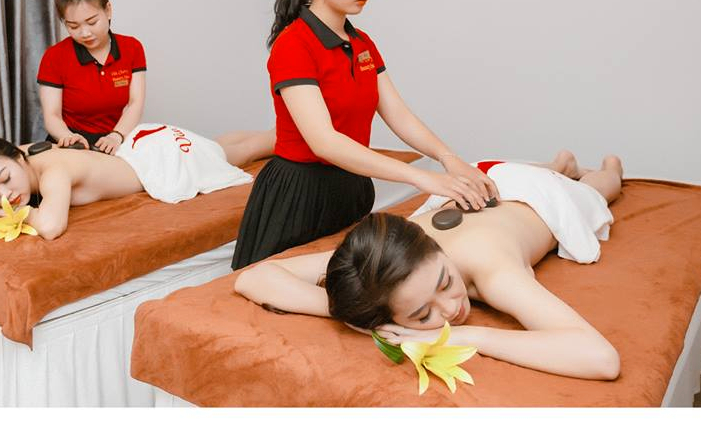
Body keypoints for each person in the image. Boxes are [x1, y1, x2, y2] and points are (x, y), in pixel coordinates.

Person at [231, 0, 500, 271]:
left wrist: (448, 158)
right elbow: (324, 142)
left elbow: (398, 114)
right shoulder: (293, 44)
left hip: (351, 189)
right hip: (299, 197)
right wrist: (421, 178)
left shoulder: (362, 44)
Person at [234, 151, 624, 380]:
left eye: (445, 281)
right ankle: (559, 161)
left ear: (433, 248)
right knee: (543, 170)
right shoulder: (380, 258)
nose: (451, 308)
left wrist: (466, 337)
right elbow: (255, 278)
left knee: (601, 188)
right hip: (490, 179)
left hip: (530, 192)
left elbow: (600, 359)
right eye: (423, 316)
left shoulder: (491, 267)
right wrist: (355, 315)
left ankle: (604, 166)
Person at [0, 124, 274, 240]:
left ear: (18, 158)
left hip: (158, 160)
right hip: (139, 148)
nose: (5, 195)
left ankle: (293, 131)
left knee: (239, 152)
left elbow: (50, 227)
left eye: (5, 179)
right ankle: (277, 128)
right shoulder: (26, 154)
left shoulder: (54, 171)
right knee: (220, 145)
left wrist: (12, 211)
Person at [37, 0, 147, 155]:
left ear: (108, 10)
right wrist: (69, 138)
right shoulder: (54, 57)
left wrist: (116, 136)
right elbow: (52, 115)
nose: (85, 33)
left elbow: (135, 103)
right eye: (73, 26)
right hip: (70, 142)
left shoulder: (132, 48)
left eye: (92, 22)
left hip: (115, 141)